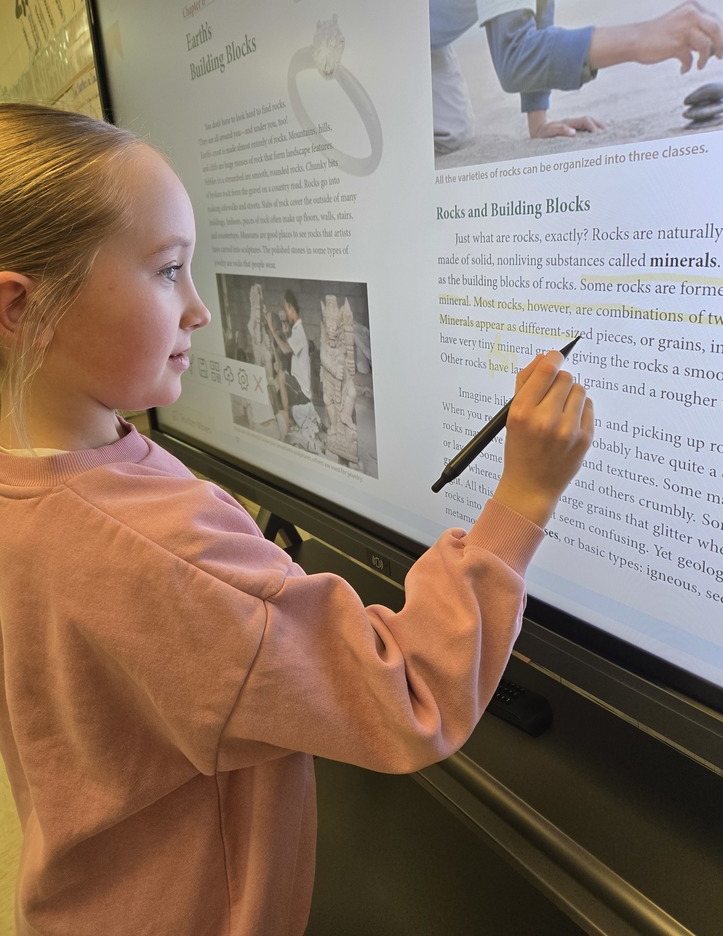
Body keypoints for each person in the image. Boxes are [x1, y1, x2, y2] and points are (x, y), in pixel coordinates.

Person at [0, 102, 593, 936]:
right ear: (20, 309)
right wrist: (522, 500)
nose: (200, 310)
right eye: (168, 270)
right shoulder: (156, 547)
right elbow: (409, 694)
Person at [427, 0, 723, 151]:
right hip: (394, 29)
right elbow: (514, 59)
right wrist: (641, 38)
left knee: (452, 133)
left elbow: (537, 1)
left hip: (432, 40)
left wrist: (539, 118)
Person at [267, 289, 316, 435]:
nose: (285, 313)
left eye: (285, 309)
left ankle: (286, 417)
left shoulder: (299, 332)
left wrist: (272, 330)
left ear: (290, 308)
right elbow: (291, 349)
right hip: (299, 386)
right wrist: (286, 334)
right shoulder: (296, 331)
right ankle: (286, 414)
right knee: (281, 376)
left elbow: (285, 349)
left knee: (282, 376)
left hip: (302, 392)